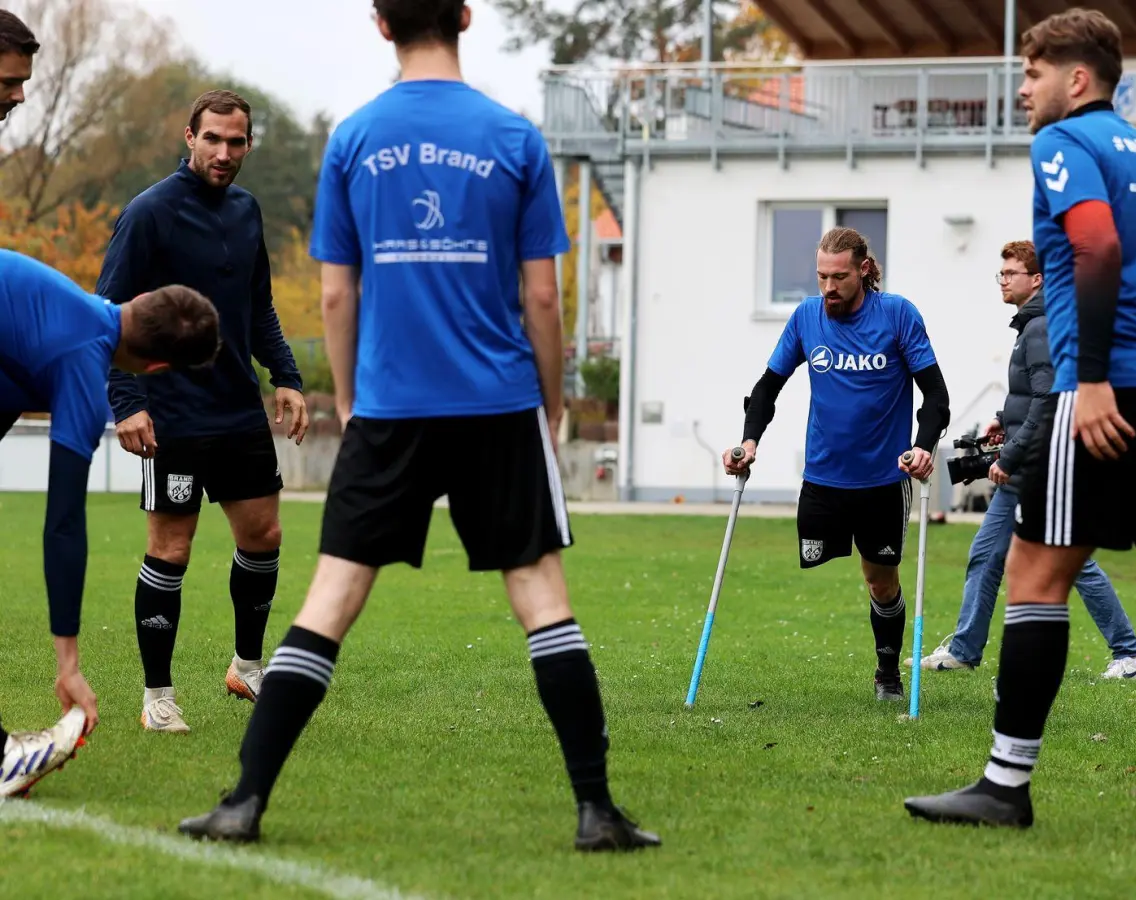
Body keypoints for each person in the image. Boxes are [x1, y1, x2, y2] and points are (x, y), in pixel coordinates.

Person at [176, 0, 658, 852]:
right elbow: (542, 295)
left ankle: (244, 801)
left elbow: (335, 292)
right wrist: (548, 402)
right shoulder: (514, 137)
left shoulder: (356, 139)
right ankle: (595, 811)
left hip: (390, 409)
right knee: (540, 596)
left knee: (332, 596)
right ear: (466, 17)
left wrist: (355, 398)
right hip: (497, 404)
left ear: (379, 23)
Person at [902, 8, 1136, 840]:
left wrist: (1096, 378)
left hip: (1108, 394)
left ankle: (1005, 787)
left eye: (1033, 71)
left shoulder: (1065, 145)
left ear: (1076, 79)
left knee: (1036, 578)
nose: (1023, 86)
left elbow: (1097, 249)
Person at [100, 89, 309, 734]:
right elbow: (107, 314)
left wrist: (288, 376)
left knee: (264, 536)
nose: (224, 153)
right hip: (173, 414)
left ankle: (247, 666)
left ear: (249, 144)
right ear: (188, 137)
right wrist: (128, 401)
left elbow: (259, 305)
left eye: (236, 141)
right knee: (172, 548)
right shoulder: (149, 213)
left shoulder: (247, 211)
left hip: (237, 409)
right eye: (212, 139)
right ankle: (157, 695)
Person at [0, 249, 221, 797]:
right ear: (157, 369)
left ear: (139, 300)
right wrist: (68, 663)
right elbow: (64, 524)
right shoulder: (80, 357)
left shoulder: (65, 309)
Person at [726, 226, 951, 703]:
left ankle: (887, 673)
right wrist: (748, 442)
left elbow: (935, 394)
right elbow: (767, 387)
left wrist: (924, 444)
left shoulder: (896, 315)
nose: (828, 287)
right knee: (812, 565)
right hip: (824, 477)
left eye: (839, 277)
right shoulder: (807, 318)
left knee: (880, 579)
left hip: (884, 479)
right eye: (821, 277)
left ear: (864, 270)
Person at [913, 240, 1136, 679]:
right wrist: (1003, 419)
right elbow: (1034, 394)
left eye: (1010, 273)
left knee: (1069, 561)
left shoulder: (1041, 326)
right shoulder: (1035, 325)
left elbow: (1049, 399)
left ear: (1037, 279)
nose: (1002, 280)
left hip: (1041, 466)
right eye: (1000, 273)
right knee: (986, 556)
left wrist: (1011, 454)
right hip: (1034, 464)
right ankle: (965, 650)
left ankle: (1131, 654)